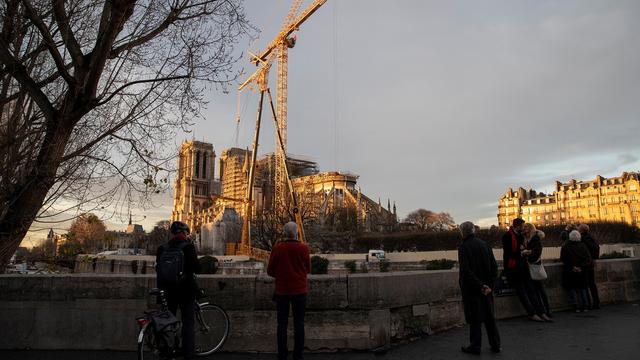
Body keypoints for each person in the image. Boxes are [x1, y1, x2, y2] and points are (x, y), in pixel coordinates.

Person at [156, 221, 201, 359]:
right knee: (188, 323)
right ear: (184, 233)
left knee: (167, 322)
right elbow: (196, 268)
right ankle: (188, 354)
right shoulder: (188, 247)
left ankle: (166, 351)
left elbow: (159, 270)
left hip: (167, 291)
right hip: (185, 292)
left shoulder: (162, 248)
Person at [267, 221, 311, 360]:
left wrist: (281, 275)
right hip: (299, 291)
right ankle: (298, 355)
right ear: (297, 233)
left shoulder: (277, 248)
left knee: (282, 324)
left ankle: (282, 354)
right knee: (299, 323)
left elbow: (270, 271)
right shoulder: (304, 248)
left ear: (284, 233)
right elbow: (308, 269)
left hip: (282, 291)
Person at [458, 221, 501, 355]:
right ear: (474, 231)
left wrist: (480, 286)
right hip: (487, 288)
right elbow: (494, 267)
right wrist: (489, 286)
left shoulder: (463, 247)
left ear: (462, 233)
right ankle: (495, 345)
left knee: (474, 319)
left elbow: (466, 271)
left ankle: (475, 346)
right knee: (489, 318)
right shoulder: (485, 245)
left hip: (472, 289)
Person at [501, 218, 545, 321]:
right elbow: (508, 253)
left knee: (531, 290)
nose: (524, 227)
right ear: (518, 225)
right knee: (522, 292)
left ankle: (540, 312)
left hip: (523, 267)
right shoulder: (507, 236)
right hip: (514, 269)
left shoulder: (520, 236)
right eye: (523, 225)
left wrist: (523, 251)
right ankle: (532, 313)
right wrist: (521, 252)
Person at [521, 223, 552, 321]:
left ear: (530, 229)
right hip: (531, 267)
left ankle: (546, 311)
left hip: (534, 266)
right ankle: (543, 311)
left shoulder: (535, 238)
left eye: (526, 227)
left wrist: (527, 252)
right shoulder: (526, 238)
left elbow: (537, 251)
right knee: (538, 290)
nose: (524, 229)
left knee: (540, 290)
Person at [560, 230, 592, 312]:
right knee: (582, 288)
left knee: (572, 288)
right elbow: (588, 259)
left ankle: (576, 306)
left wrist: (573, 267)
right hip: (582, 271)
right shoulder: (583, 246)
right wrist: (581, 267)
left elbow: (563, 259)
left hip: (571, 271)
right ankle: (585, 306)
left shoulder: (565, 246)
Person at [578, 223, 600, 309]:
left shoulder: (582, 239)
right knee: (592, 283)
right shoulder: (591, 238)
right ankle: (596, 302)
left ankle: (588, 303)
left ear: (581, 230)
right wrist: (594, 258)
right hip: (591, 263)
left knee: (585, 284)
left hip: (585, 264)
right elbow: (597, 248)